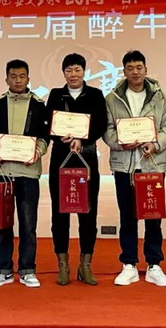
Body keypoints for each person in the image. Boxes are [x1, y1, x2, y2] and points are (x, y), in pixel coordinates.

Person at [102, 50, 166, 287]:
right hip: (124, 166)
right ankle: (129, 264)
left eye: (139, 67)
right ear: (124, 71)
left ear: (146, 70)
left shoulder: (161, 96)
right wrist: (120, 142)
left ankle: (154, 265)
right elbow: (107, 130)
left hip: (152, 164)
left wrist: (155, 144)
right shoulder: (112, 98)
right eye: (130, 68)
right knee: (127, 216)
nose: (135, 72)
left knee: (153, 217)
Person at [45, 53, 107, 285]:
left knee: (88, 213)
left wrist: (83, 138)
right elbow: (48, 123)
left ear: (84, 71)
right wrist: (58, 136)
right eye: (69, 70)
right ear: (63, 73)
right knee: (59, 214)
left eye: (77, 70)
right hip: (61, 159)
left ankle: (85, 265)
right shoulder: (55, 95)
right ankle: (63, 265)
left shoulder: (95, 95)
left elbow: (101, 123)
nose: (73, 74)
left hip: (86, 158)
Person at [0, 59, 49, 288]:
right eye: (13, 76)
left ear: (28, 78)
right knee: (0, 224)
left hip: (28, 172)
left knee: (28, 223)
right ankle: (2, 269)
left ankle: (27, 269)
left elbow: (45, 137)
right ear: (7, 79)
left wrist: (37, 152)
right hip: (1, 171)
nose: (18, 80)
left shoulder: (39, 105)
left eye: (22, 76)